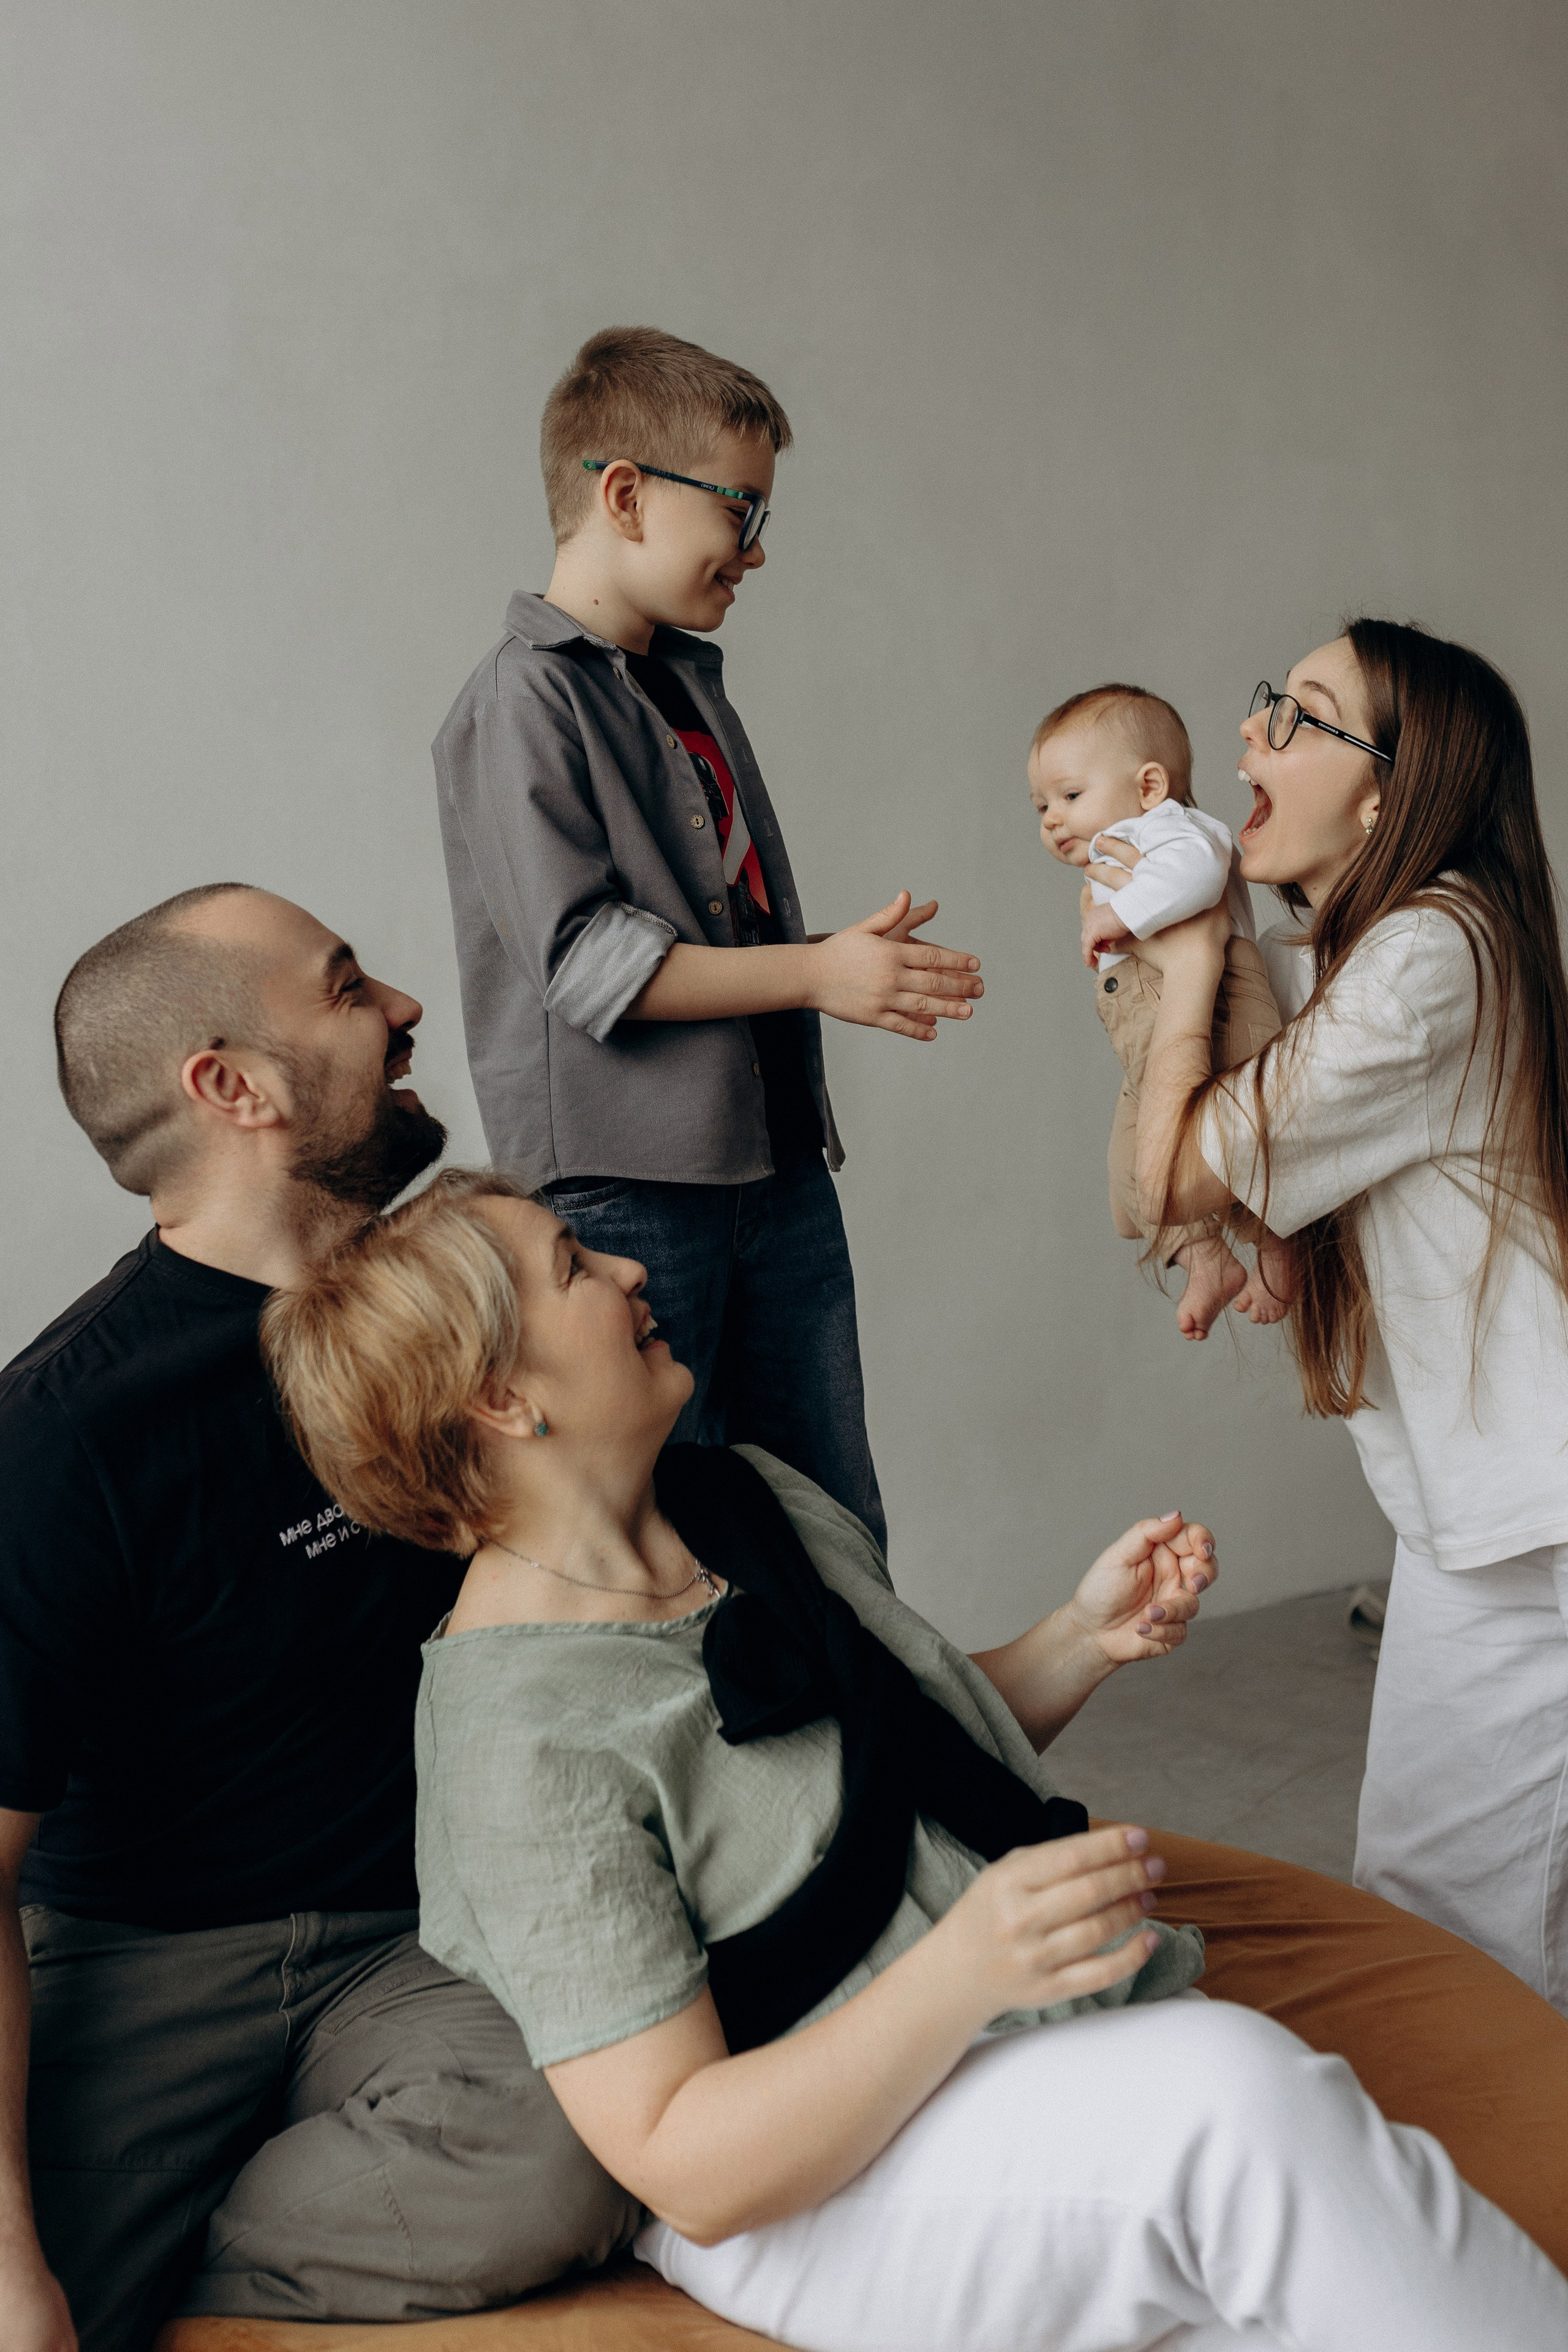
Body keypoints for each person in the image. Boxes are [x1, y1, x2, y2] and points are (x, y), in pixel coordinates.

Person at [258, 1169, 1568, 2352]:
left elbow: (882, 1767)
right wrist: (962, 1973)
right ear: (503, 1397)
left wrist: (1077, 1641)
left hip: (1025, 2058)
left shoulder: (745, 1501)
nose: (632, 1274)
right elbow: (681, 2158)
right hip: (817, 2193)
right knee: (1227, 2105)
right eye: (574, 1271)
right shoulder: (515, 1744)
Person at [0, 887, 639, 2352]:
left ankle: (184, 2251)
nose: (405, 1005)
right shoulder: (64, 1433)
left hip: (411, 1938)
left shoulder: (460, 1314)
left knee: (587, 2143)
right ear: (230, 1086)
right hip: (142, 1954)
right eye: (348, 986)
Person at [432, 325, 987, 1556]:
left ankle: (868, 1740)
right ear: (622, 494)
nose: (756, 549)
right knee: (668, 1529)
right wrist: (815, 971)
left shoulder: (681, 684)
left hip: (768, 1162)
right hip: (625, 1193)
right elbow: (586, 962)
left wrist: (834, 958)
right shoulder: (521, 699)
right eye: (738, 510)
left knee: (828, 1516)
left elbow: (701, 928)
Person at [1129, 617, 1568, 2016]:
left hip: (1532, 1518)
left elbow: (1174, 1173)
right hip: (1479, 1526)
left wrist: (1188, 957)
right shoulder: (1386, 950)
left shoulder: (1429, 954)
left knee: (1455, 1951)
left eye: (1298, 714)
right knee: (1436, 1926)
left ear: (1387, 790)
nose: (1248, 732)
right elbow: (1243, 1204)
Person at [1030, 682, 1291, 1340]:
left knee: (1220, 1158)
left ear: (1149, 787)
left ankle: (1286, 1243)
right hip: (1150, 1031)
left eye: (1068, 796)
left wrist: (1120, 915)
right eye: (1040, 806)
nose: (1051, 819)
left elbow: (1197, 873)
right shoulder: (1120, 854)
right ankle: (1205, 1257)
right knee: (1131, 1179)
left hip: (1220, 1010)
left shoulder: (1174, 828)